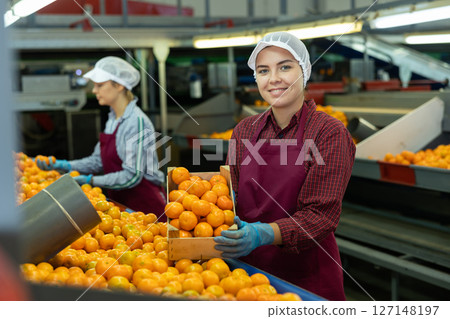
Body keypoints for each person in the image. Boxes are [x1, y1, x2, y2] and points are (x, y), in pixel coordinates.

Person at [214, 32, 356, 301]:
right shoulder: (245, 130)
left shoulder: (328, 132)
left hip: (305, 277)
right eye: (263, 70)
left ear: (304, 70)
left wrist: (264, 233)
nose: (274, 79)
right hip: (245, 272)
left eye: (285, 67)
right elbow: (229, 191)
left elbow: (320, 216)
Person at [36, 56, 166, 219]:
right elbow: (97, 161)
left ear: (119, 86)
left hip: (145, 204)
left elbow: (132, 176)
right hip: (122, 204)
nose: (94, 91)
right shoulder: (113, 120)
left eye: (100, 85)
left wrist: (91, 181)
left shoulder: (136, 122)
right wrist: (63, 165)